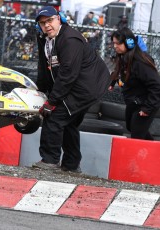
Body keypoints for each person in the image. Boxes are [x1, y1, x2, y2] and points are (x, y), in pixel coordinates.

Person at [32, 6, 111, 172]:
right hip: (80, 84)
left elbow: (68, 73)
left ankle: (50, 160)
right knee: (68, 124)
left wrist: (52, 101)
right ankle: (71, 164)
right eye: (42, 23)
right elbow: (43, 67)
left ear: (58, 19)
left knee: (54, 116)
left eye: (50, 21)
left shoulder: (69, 39)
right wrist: (39, 89)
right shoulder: (45, 39)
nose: (46, 25)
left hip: (86, 86)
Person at [110, 27, 160, 140]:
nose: (115, 46)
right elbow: (119, 72)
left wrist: (148, 108)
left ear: (129, 43)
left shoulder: (141, 62)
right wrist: (112, 82)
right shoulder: (124, 58)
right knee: (132, 127)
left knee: (137, 134)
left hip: (146, 102)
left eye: (118, 44)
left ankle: (150, 156)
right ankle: (156, 151)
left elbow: (156, 85)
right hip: (134, 101)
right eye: (114, 43)